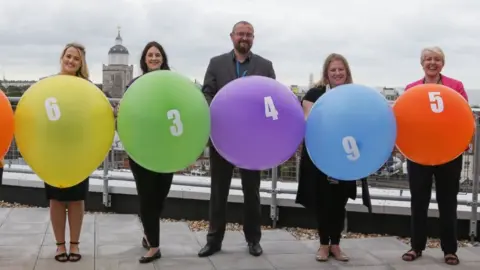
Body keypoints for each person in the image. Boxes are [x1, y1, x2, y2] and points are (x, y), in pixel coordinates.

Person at [198, 21, 276, 257]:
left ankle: (253, 240)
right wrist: (222, 110)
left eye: (249, 34)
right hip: (222, 138)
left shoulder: (265, 65)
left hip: (252, 142)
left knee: (251, 191)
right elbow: (206, 94)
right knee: (218, 191)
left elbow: (272, 98)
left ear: (253, 38)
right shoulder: (216, 63)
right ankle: (214, 241)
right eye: (240, 34)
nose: (245, 37)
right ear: (231, 36)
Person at [295, 53, 372, 262]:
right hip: (319, 155)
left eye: (341, 69)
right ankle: (323, 245)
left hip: (345, 155)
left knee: (339, 201)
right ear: (326, 73)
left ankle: (336, 245)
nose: (337, 73)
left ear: (346, 72)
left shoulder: (354, 95)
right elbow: (310, 120)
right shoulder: (314, 93)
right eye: (333, 70)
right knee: (322, 201)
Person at [401, 46, 467, 266]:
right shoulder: (411, 88)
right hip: (418, 154)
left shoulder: (455, 86)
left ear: (442, 63)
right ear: (422, 63)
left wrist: (463, 141)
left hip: (449, 154)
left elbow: (465, 117)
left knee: (447, 202)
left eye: (436, 59)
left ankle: (450, 250)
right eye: (428, 59)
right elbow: (403, 119)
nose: (432, 63)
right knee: (418, 202)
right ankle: (416, 246)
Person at [123, 41, 174, 264]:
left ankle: (147, 229)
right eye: (150, 55)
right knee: (147, 196)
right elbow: (128, 113)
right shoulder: (135, 84)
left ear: (163, 59)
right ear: (144, 59)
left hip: (167, 149)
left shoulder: (172, 83)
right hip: (141, 149)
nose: (153, 58)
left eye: (157, 55)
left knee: (160, 195)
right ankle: (154, 246)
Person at [46, 42, 90, 263]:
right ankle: (59, 245)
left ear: (81, 64)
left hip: (78, 151)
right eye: (68, 56)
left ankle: (74, 243)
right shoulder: (49, 84)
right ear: (62, 57)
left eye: (76, 59)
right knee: (56, 198)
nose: (71, 61)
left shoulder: (86, 87)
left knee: (75, 199)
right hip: (53, 150)